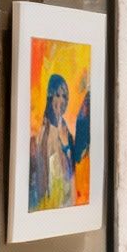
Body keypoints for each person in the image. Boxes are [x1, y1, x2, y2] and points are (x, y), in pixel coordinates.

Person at [30, 71, 90, 210]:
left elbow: (71, 170)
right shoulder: (41, 133)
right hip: (46, 202)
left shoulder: (66, 131)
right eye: (57, 95)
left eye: (64, 96)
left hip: (65, 201)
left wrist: (66, 147)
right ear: (50, 97)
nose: (61, 101)